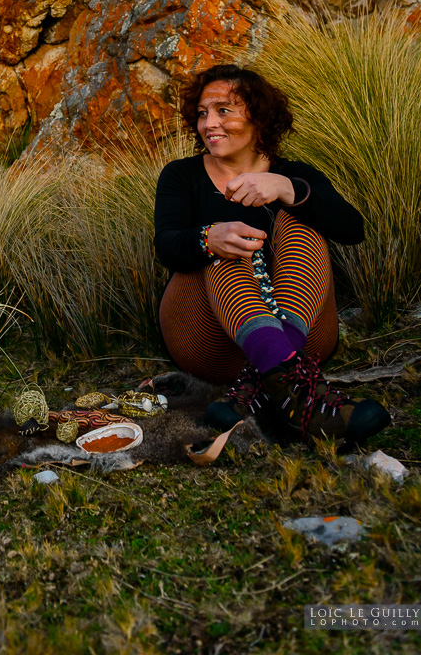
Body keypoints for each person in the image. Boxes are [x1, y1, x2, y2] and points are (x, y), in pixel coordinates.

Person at [154, 63, 390, 446]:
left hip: (304, 333)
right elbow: (165, 246)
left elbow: (353, 229)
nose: (208, 123)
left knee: (301, 218)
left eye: (223, 110)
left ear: (259, 117)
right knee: (225, 243)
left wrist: (286, 187)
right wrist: (208, 239)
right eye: (201, 113)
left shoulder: (293, 173)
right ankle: (308, 401)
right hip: (210, 340)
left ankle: (269, 384)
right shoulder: (182, 175)